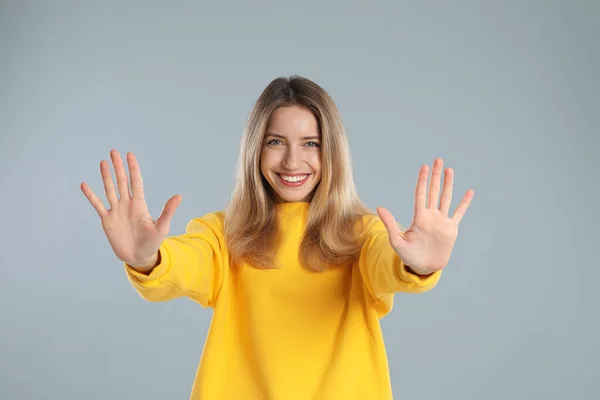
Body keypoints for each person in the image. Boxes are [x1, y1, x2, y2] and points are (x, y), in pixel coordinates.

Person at [80, 75, 474, 400]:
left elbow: (387, 265)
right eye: (275, 142)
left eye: (311, 144)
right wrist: (148, 259)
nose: (291, 161)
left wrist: (416, 265)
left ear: (333, 152)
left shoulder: (361, 234)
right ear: (255, 149)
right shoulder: (223, 234)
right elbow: (186, 262)